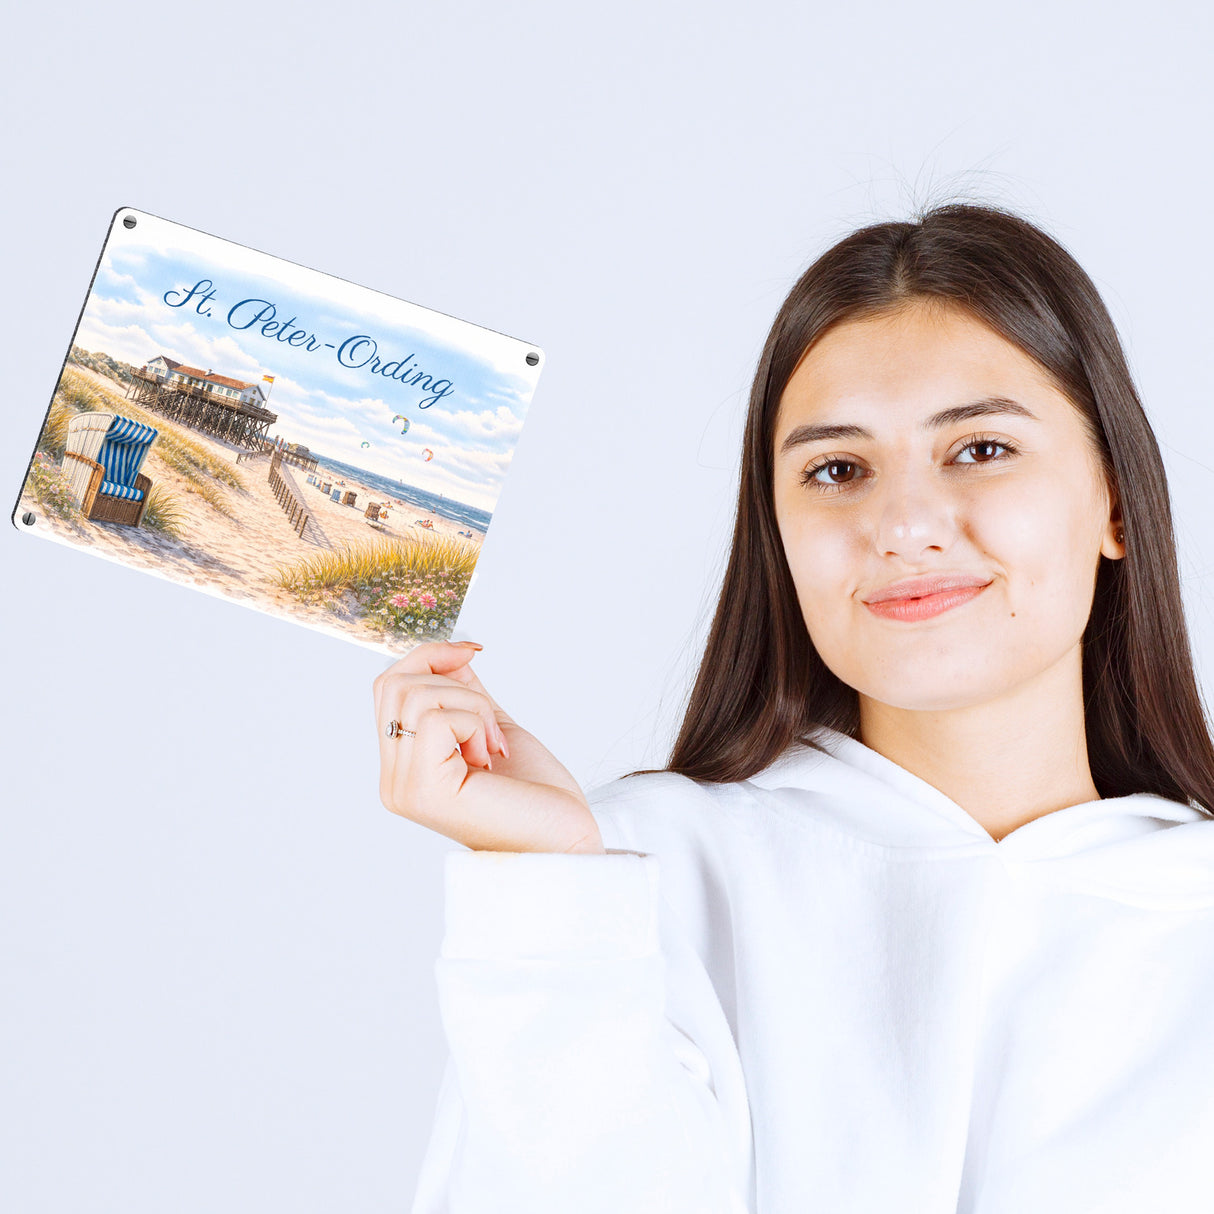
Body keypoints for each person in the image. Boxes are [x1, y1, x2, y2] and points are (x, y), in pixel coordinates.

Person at [371, 202, 1214, 1213]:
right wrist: (549, 891)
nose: (901, 522)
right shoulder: (629, 875)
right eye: (836, 469)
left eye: (981, 448)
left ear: (1114, 499)